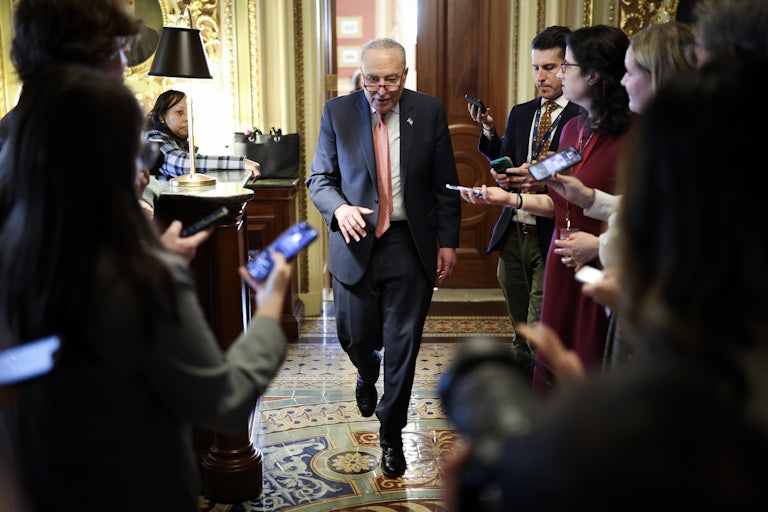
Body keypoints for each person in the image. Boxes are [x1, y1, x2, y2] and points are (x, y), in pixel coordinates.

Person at [443, 56, 768, 510]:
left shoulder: (687, 363)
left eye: (559, 65)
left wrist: (586, 412)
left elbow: (647, 462)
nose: (624, 78)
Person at [0, 64, 293, 511]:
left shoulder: (16, 258)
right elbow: (223, 402)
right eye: (135, 155)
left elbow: (18, 365)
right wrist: (271, 311)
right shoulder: (140, 279)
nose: (145, 172)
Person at [306, 37, 460, 478]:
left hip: (409, 244)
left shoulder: (427, 111)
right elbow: (319, 177)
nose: (381, 88)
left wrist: (447, 242)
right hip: (355, 243)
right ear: (362, 75)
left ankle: (392, 436)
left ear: (405, 76)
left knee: (403, 348)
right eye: (372, 78)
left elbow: (444, 184)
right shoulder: (338, 112)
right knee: (356, 336)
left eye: (391, 79)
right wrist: (339, 207)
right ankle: (363, 369)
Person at [459, 25, 631, 393]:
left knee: (583, 360)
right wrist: (504, 194)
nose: (549, 76)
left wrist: (598, 245)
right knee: (538, 347)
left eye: (559, 66)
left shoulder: (624, 132)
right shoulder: (564, 127)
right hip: (550, 244)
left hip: (599, 258)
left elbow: (642, 211)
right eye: (539, 68)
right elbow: (555, 190)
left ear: (593, 74)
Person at [0, 0, 210, 262]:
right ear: (84, 54)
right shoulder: (69, 136)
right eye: (119, 48)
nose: (124, 64)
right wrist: (158, 260)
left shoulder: (25, 123)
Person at [546, 21, 696, 369]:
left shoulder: (655, 138)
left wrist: (598, 245)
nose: (624, 81)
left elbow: (669, 224)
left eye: (630, 72)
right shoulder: (573, 126)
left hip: (628, 277)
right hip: (576, 259)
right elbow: (643, 208)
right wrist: (583, 197)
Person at [466, 26, 581, 369]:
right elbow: (506, 157)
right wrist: (490, 135)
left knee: (538, 330)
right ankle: (526, 387)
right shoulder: (522, 112)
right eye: (535, 68)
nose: (541, 76)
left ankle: (538, 404)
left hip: (553, 231)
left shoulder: (581, 116)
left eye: (549, 67)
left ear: (567, 67)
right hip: (515, 229)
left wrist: (539, 180)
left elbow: (577, 176)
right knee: (520, 330)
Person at [144, 90, 261, 180]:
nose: (187, 118)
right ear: (161, 117)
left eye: (189, 112)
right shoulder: (155, 138)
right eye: (179, 112)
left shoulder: (177, 141)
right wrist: (242, 162)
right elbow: (182, 164)